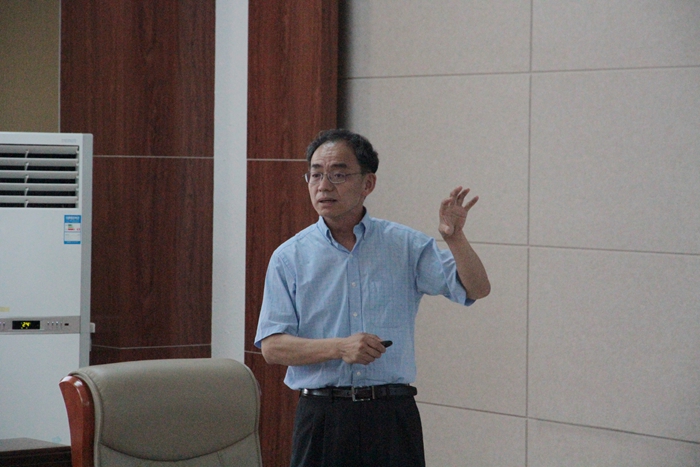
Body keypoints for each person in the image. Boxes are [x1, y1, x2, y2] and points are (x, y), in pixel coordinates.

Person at [254, 129, 490, 467]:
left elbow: (477, 289)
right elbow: (273, 347)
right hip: (323, 415)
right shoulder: (289, 257)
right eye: (316, 174)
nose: (324, 186)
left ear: (368, 183)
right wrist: (339, 348)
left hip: (391, 414)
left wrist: (455, 239)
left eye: (338, 174)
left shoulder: (404, 245)